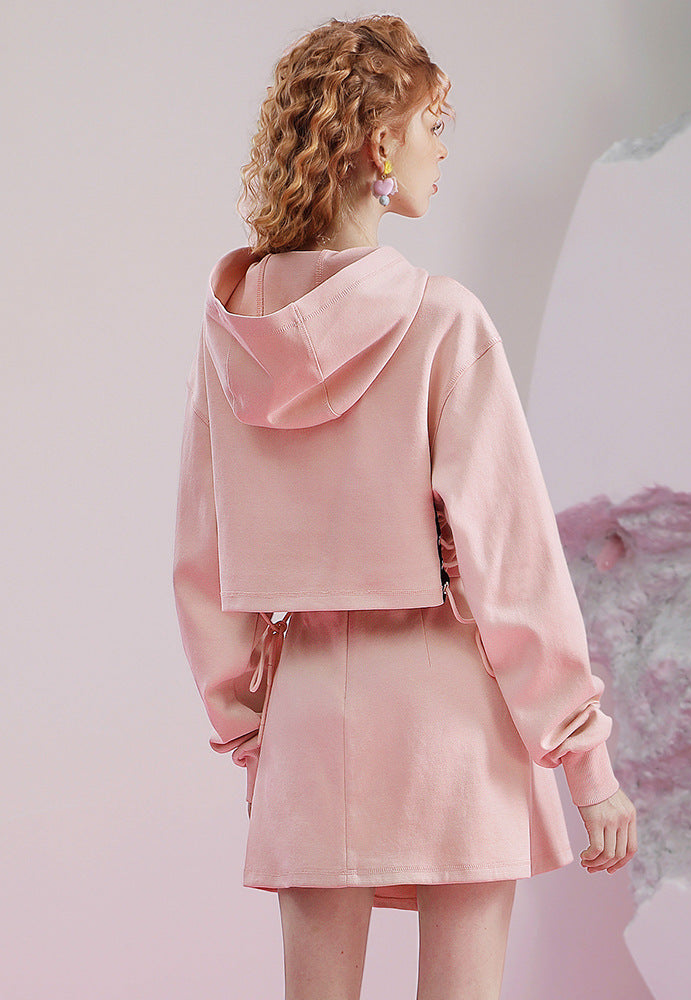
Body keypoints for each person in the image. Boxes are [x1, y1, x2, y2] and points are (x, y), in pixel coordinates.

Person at [172, 13, 637, 1000]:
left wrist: (252, 729)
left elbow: (202, 561)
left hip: (308, 722)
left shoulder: (233, 341)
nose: (442, 150)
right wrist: (587, 764)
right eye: (434, 125)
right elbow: (513, 562)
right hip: (452, 723)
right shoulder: (443, 322)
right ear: (382, 143)